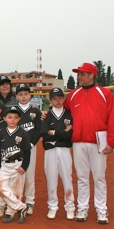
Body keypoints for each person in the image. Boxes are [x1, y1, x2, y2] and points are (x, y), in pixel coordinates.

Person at [65, 62, 114, 224]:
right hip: (79, 142)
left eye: (82, 74)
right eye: (78, 74)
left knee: (99, 177)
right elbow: (63, 111)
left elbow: (113, 118)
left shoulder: (105, 94)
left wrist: (112, 142)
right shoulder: (73, 94)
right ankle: (82, 208)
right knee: (81, 177)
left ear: (91, 75)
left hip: (98, 142)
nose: (79, 77)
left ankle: (101, 209)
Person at [40, 87, 74, 220]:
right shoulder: (47, 115)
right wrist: (62, 133)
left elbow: (70, 135)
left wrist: (54, 132)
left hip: (65, 150)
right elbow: (44, 134)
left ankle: (70, 207)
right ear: (50, 100)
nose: (58, 101)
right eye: (55, 99)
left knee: (67, 178)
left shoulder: (69, 114)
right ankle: (52, 206)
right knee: (51, 179)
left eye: (60, 98)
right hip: (50, 151)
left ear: (64, 99)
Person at [0, 107, 31, 224]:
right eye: (10, 117)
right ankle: (21, 207)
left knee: (16, 190)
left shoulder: (22, 133)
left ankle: (10, 213)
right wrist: (0, 164)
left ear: (19, 119)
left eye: (15, 118)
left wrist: (24, 166)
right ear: (4, 118)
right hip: (5, 165)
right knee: (1, 187)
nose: (12, 120)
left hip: (18, 165)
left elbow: (27, 151)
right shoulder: (1, 132)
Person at [15, 84, 42, 215]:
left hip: (30, 147)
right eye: (20, 94)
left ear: (30, 95)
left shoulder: (35, 111)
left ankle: (30, 201)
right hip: (16, 148)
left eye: (26, 94)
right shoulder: (13, 111)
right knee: (17, 175)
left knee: (29, 175)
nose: (23, 97)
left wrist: (32, 143)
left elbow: (38, 129)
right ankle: (17, 201)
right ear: (16, 96)